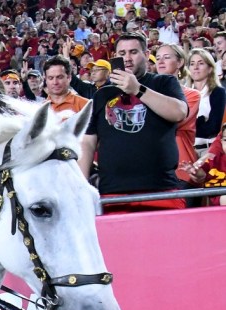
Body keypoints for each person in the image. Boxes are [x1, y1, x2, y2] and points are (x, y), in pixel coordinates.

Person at [79, 33, 188, 212]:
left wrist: (137, 89)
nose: (127, 58)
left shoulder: (163, 82)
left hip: (161, 190)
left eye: (133, 52)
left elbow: (179, 112)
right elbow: (88, 142)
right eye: (122, 53)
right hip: (112, 193)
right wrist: (81, 185)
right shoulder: (102, 94)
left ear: (146, 55)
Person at [155, 44, 201, 186]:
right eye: (157, 58)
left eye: (167, 57)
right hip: (152, 169)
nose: (160, 62)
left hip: (181, 168)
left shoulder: (192, 95)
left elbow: (174, 121)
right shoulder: (146, 94)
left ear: (180, 63)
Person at [187, 48, 226, 155]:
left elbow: (214, 127)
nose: (195, 67)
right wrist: (200, 122)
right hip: (186, 148)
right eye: (192, 63)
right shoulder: (184, 92)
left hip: (208, 150)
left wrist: (189, 127)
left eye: (200, 63)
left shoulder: (218, 92)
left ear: (209, 68)